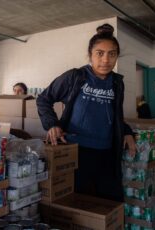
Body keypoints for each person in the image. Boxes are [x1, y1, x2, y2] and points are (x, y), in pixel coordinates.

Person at [36, 23, 136, 202]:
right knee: (75, 202)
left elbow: (114, 114)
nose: (106, 60)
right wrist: (52, 124)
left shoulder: (117, 83)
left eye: (111, 54)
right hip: (76, 151)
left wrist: (127, 132)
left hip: (107, 153)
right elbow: (44, 99)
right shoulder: (75, 77)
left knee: (112, 201)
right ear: (90, 54)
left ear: (116, 57)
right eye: (100, 53)